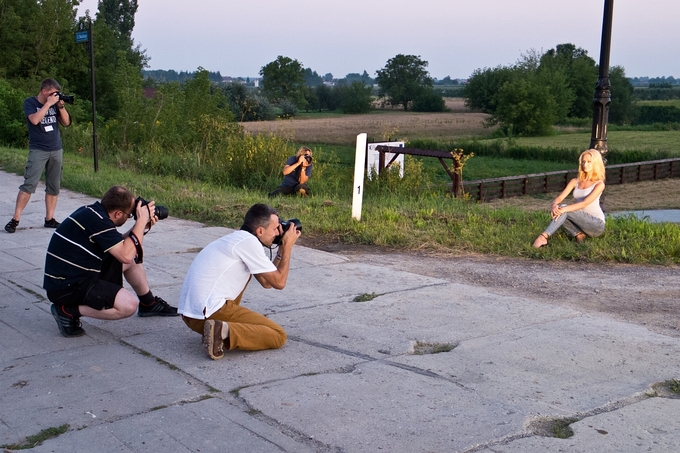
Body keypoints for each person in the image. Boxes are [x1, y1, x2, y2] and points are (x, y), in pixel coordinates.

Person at [44, 186, 178, 337]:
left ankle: (148, 303)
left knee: (131, 254)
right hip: (66, 287)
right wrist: (140, 222)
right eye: (128, 215)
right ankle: (66, 311)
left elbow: (120, 245)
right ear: (118, 213)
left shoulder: (93, 213)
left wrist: (141, 227)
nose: (129, 217)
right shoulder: (98, 221)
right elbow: (125, 255)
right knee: (128, 305)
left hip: (76, 274)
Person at [178, 203, 301, 360]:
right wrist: (288, 247)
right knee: (278, 335)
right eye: (276, 228)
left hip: (192, 315)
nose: (279, 233)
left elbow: (266, 282)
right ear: (260, 231)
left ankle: (217, 329)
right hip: (208, 312)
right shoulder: (249, 243)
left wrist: (281, 252)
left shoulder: (238, 240)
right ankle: (221, 331)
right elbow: (279, 282)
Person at [5, 79, 72, 234]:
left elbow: (67, 123)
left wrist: (60, 106)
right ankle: (15, 218)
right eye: (52, 93)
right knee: (29, 184)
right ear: (44, 91)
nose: (55, 96)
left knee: (54, 185)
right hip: (38, 150)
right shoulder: (30, 102)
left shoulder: (56, 104)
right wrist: (48, 104)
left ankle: (50, 218)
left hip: (56, 149)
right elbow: (34, 120)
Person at [532, 149, 606, 248]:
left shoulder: (599, 184)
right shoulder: (575, 181)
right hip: (580, 221)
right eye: (583, 162)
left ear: (596, 164)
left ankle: (543, 237)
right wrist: (554, 206)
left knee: (564, 209)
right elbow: (560, 197)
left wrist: (563, 209)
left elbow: (584, 203)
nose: (585, 165)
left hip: (596, 225)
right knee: (560, 210)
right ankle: (579, 235)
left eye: (589, 162)